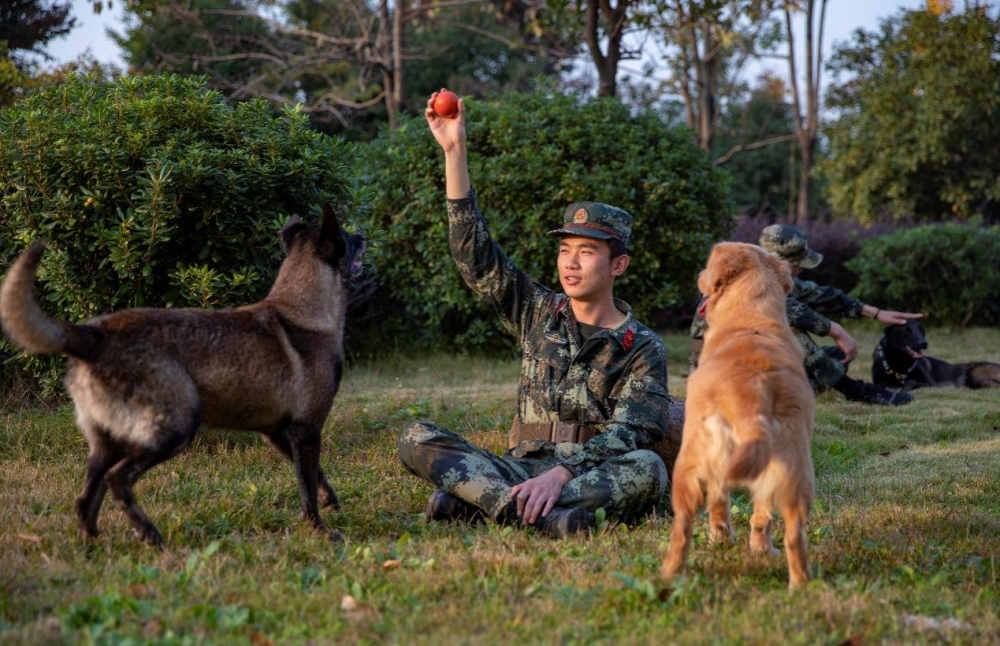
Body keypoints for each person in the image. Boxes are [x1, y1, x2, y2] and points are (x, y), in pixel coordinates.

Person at [397, 93, 675, 538]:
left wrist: (561, 474)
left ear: (617, 265)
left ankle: (480, 505)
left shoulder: (641, 346)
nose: (571, 263)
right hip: (515, 467)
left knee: (648, 468)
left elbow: (631, 433)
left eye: (587, 252)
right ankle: (525, 511)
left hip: (584, 475)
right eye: (565, 251)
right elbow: (475, 256)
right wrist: (455, 152)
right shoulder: (538, 311)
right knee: (417, 436)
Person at [690, 224, 923, 406]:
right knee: (790, 332)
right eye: (797, 264)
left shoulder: (768, 274)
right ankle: (854, 391)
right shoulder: (741, 283)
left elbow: (821, 294)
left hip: (754, 366)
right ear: (778, 261)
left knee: (832, 356)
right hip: (722, 376)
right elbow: (793, 311)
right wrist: (837, 330)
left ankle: (806, 384)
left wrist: (877, 313)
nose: (801, 269)